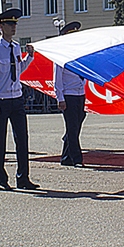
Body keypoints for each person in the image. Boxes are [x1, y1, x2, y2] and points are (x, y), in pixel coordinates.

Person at [0, 8, 38, 191]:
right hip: (0, 100)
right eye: (9, 24)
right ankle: (1, 179)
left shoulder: (15, 47)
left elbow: (18, 70)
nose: (13, 27)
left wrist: (29, 57)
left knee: (22, 139)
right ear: (1, 26)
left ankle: (23, 177)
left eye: (15, 24)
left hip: (16, 98)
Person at [54, 21, 87, 167]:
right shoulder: (60, 56)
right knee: (73, 127)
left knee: (75, 126)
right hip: (69, 95)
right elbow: (57, 79)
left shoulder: (79, 54)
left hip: (80, 93)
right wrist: (60, 98)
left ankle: (66, 157)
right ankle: (76, 158)